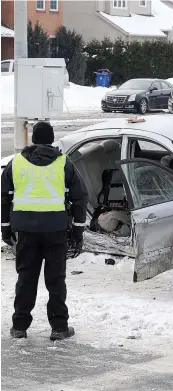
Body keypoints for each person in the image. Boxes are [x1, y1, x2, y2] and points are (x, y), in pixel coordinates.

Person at [1, 122, 88, 340]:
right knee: (56, 279)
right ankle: (59, 327)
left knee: (26, 277)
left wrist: (5, 228)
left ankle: (19, 326)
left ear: (33, 139)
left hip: (25, 231)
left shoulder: (17, 163)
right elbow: (80, 196)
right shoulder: (64, 163)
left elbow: (4, 197)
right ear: (51, 139)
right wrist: (78, 230)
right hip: (56, 230)